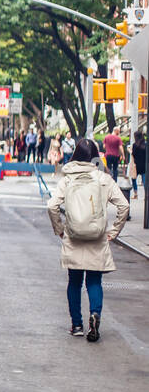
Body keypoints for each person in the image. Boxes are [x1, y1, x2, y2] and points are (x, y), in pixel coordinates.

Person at [46, 137, 129, 341]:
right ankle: (95, 314)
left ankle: (76, 325)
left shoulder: (67, 179)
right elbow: (124, 206)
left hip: (73, 236)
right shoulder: (103, 179)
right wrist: (113, 231)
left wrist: (60, 229)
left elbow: (51, 206)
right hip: (97, 237)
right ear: (95, 157)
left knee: (74, 282)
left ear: (75, 155)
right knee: (94, 281)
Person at [131, 132, 146, 201]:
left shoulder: (135, 145)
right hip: (144, 165)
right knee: (144, 181)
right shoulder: (145, 145)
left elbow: (133, 154)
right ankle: (146, 195)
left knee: (134, 179)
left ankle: (135, 194)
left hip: (136, 165)